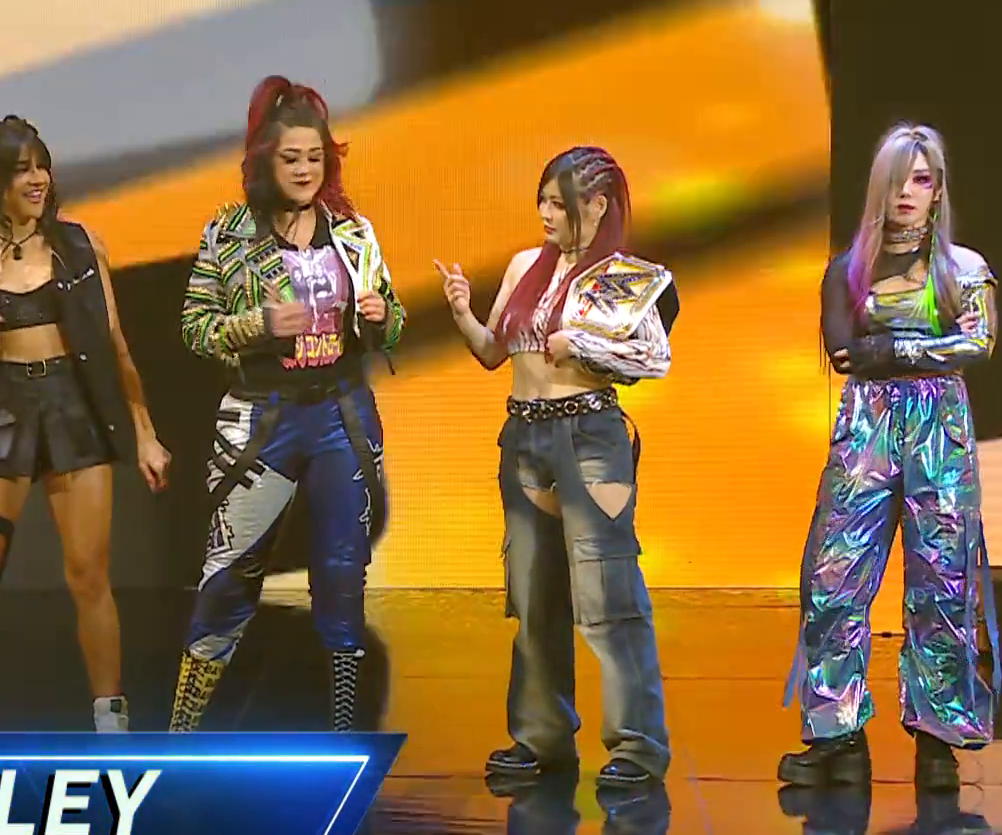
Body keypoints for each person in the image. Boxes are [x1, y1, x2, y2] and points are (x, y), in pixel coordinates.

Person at [0, 116, 171, 734]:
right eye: (22, 170)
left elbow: (115, 345)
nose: (38, 179)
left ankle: (111, 718)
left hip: (73, 409)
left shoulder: (80, 246)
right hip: (1, 411)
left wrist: (145, 433)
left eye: (42, 166)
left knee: (89, 573)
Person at [168, 75, 405, 733]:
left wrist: (383, 316)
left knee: (342, 574)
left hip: (340, 416)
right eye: (291, 158)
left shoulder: (353, 234)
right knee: (228, 576)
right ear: (265, 160)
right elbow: (195, 329)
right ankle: (181, 734)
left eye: (315, 157)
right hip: (261, 419)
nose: (304, 170)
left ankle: (344, 731)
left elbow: (392, 323)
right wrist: (259, 325)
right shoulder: (229, 234)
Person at [435, 146, 676, 789]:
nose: (545, 214)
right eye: (541, 201)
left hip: (590, 435)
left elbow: (654, 359)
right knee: (534, 592)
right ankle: (541, 736)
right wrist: (462, 313)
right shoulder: (525, 266)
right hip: (524, 437)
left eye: (558, 204)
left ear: (597, 206)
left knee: (606, 594)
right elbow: (493, 352)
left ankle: (637, 745)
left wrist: (586, 344)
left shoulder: (622, 278)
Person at [779, 122, 1000, 791]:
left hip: (939, 428)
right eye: (897, 180)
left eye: (921, 179)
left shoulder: (964, 268)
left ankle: (937, 736)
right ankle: (836, 733)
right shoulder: (848, 270)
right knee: (834, 574)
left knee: (943, 578)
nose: (908, 192)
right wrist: (906, 352)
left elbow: (979, 341)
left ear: (938, 190)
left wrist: (896, 350)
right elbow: (846, 352)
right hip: (868, 426)